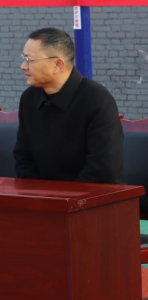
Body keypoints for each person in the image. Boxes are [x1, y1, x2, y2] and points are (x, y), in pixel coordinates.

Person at [14, 28, 125, 184]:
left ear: (58, 64)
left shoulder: (96, 99)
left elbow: (103, 167)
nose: (23, 66)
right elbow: (23, 157)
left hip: (96, 195)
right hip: (43, 195)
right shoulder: (29, 98)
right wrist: (36, 192)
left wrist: (64, 196)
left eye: (29, 60)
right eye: (23, 58)